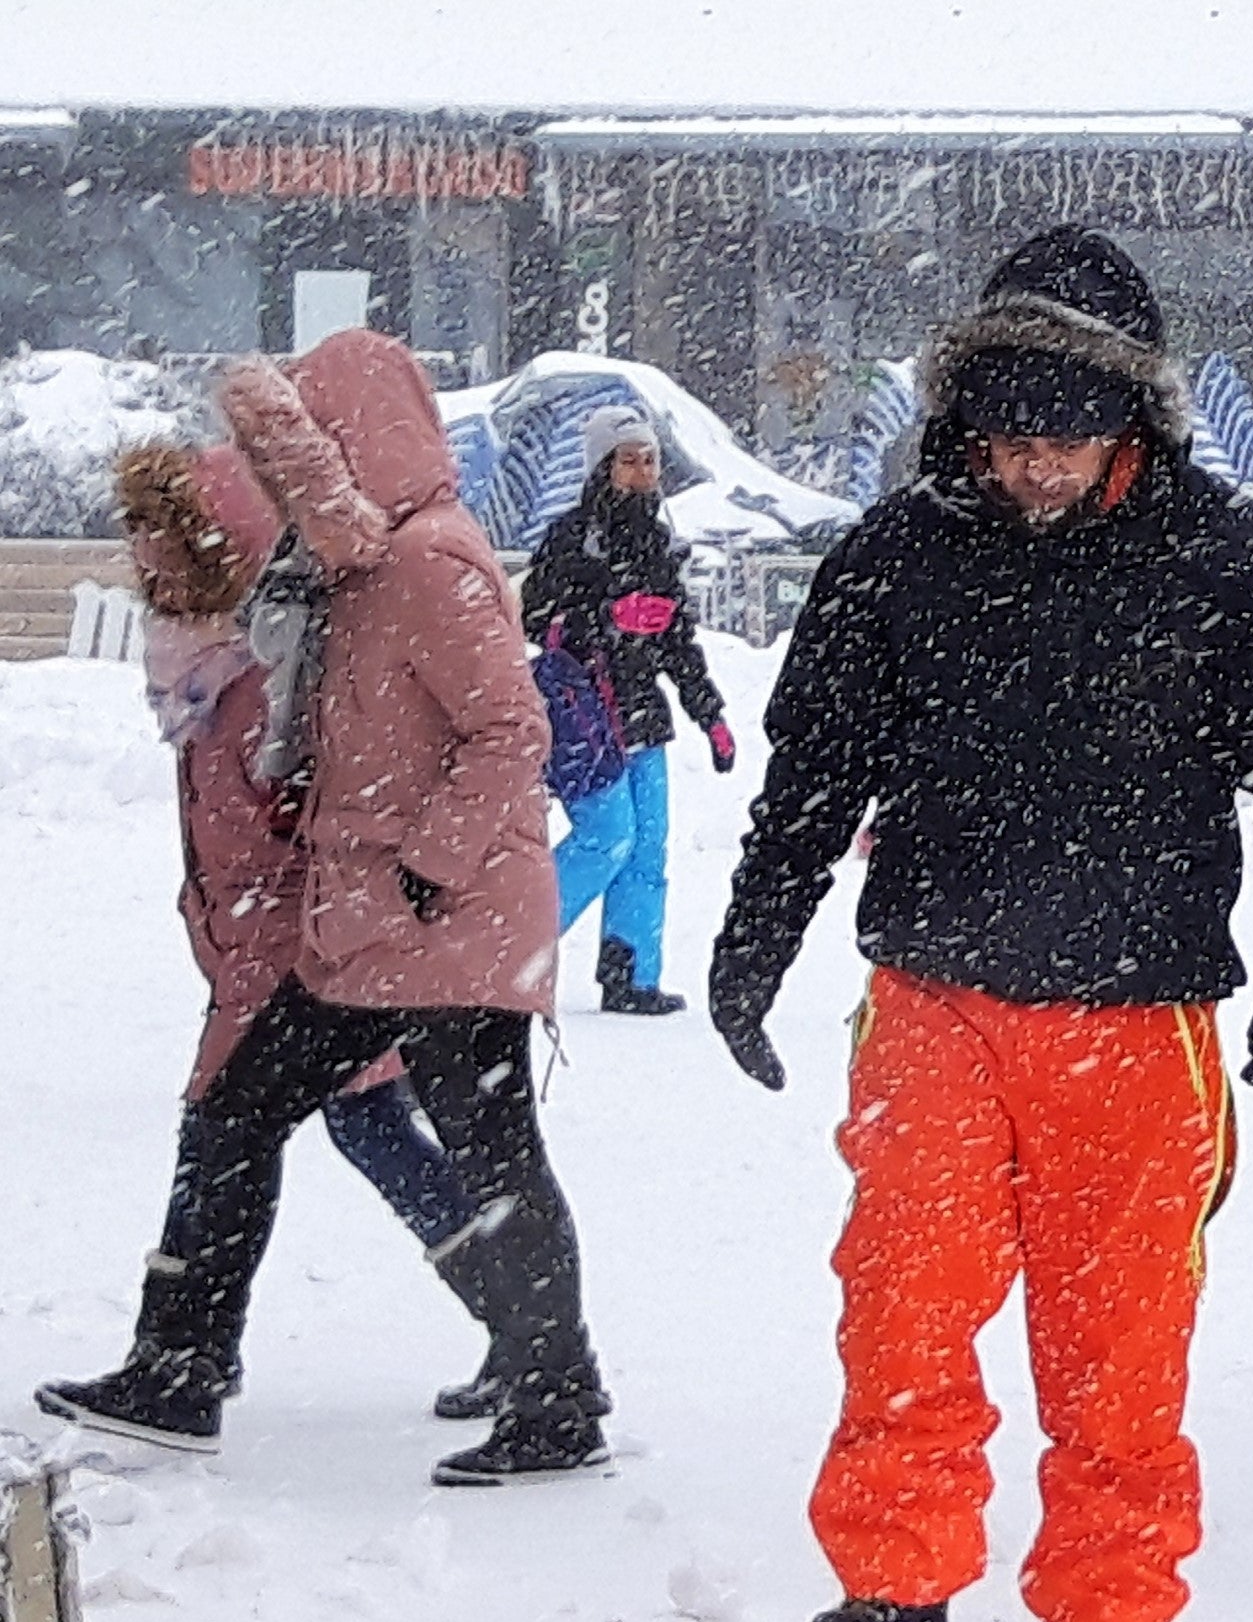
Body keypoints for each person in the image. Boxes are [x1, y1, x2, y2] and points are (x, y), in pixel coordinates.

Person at [707, 227, 1253, 1622]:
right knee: (902, 1295)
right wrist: (756, 935)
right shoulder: (898, 557)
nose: (1037, 466)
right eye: (1011, 436)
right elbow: (814, 771)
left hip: (1141, 1010)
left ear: (1130, 418)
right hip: (935, 992)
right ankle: (895, 1583)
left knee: (1123, 1329)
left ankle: (1114, 1600)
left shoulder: (1228, 559)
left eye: (1067, 436)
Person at [39, 330, 602, 1488]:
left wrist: (425, 869)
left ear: (351, 441)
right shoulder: (352, 566)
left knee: (490, 1153)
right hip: (368, 927)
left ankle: (556, 1400)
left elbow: (512, 730)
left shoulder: (432, 561)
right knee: (239, 1115)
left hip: (445, 923)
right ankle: (181, 1368)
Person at [73, 442, 499, 1417]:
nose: (142, 552)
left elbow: (314, 817)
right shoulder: (203, 659)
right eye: (137, 531)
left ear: (220, 543)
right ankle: (530, 1334)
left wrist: (318, 937)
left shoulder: (272, 666)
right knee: (371, 1130)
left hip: (296, 954)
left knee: (220, 1132)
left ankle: (181, 1362)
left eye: (161, 531)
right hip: (265, 948)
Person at [520, 402, 736, 1016]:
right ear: (601, 467)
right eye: (628, 460)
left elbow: (678, 642)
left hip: (643, 716)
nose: (642, 472)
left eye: (649, 460)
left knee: (647, 850)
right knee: (606, 837)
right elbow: (537, 618)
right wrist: (605, 619)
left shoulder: (659, 542)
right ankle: (515, 952)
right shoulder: (572, 537)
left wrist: (710, 715)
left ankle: (632, 974)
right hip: (584, 715)